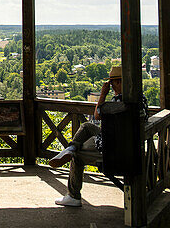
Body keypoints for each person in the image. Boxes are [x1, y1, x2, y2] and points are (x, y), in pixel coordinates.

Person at [49, 64, 122, 207]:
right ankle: (70, 149)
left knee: (77, 154)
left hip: (111, 147)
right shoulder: (140, 100)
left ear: (119, 82)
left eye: (112, 83)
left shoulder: (116, 103)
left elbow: (97, 115)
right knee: (87, 127)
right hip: (126, 143)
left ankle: (73, 196)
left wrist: (102, 94)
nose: (111, 86)